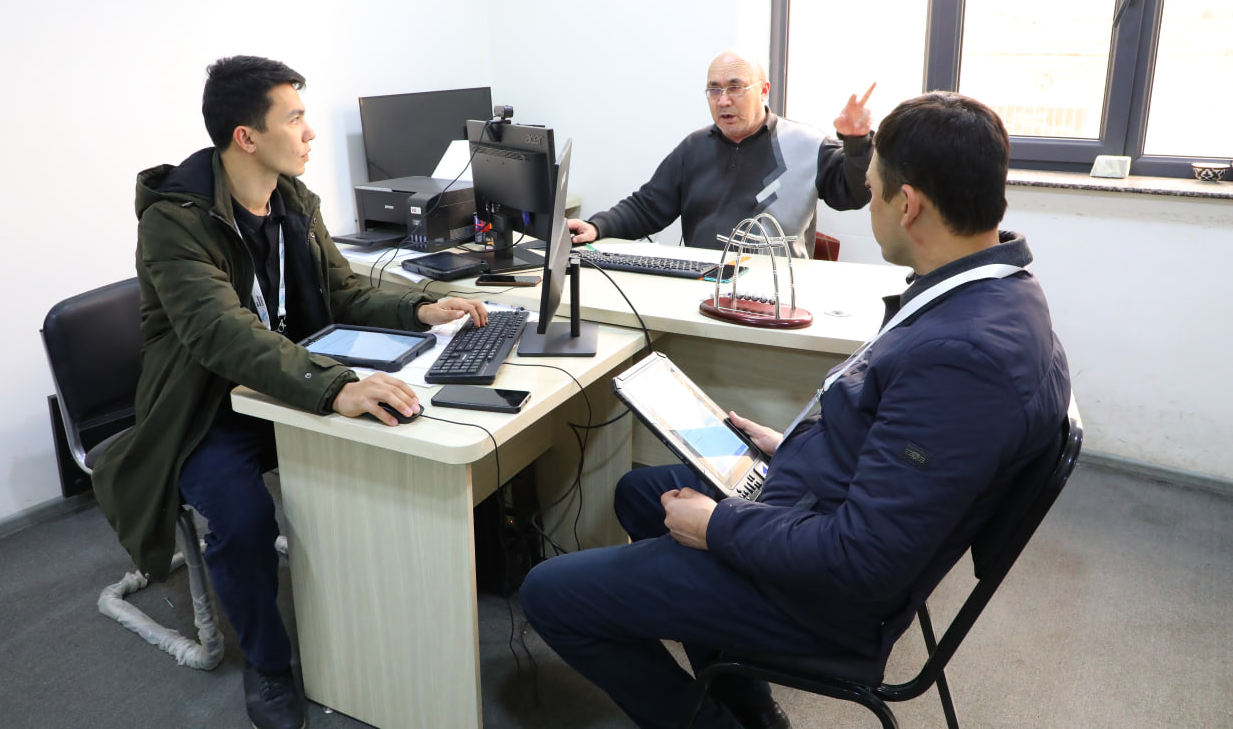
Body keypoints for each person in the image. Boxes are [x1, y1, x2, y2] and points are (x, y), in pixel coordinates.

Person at [521, 91, 1071, 729]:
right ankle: (747, 702)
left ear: (908, 203)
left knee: (548, 594)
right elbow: (895, 449)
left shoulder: (963, 357)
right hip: (820, 506)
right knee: (642, 494)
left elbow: (863, 561)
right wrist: (789, 447)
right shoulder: (994, 291)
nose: (867, 200)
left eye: (872, 188)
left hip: (824, 598)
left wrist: (719, 528)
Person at [91, 55, 488, 729]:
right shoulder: (173, 221)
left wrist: (419, 307)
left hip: (288, 382)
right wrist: (335, 388)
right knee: (244, 519)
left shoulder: (291, 199)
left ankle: (387, 612)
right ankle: (268, 664)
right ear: (246, 136)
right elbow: (222, 333)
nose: (309, 133)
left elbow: (343, 291)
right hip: (207, 406)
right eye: (295, 118)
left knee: (400, 443)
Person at [565, 50, 875, 258]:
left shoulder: (806, 145)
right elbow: (648, 206)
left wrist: (857, 141)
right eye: (714, 89)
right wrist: (599, 226)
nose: (723, 100)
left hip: (776, 299)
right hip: (702, 289)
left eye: (735, 88)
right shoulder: (694, 147)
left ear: (763, 91)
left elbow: (854, 194)